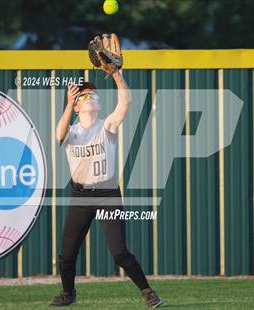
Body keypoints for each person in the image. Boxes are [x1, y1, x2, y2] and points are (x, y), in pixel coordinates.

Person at [49, 68, 163, 308]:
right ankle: (68, 294)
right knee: (66, 255)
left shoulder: (107, 126)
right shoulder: (72, 131)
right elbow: (59, 135)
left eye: (92, 94)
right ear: (77, 107)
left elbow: (127, 102)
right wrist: (69, 104)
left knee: (120, 253)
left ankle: (148, 292)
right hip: (81, 195)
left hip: (107, 194)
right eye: (83, 96)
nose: (89, 97)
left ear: (99, 104)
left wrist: (116, 74)